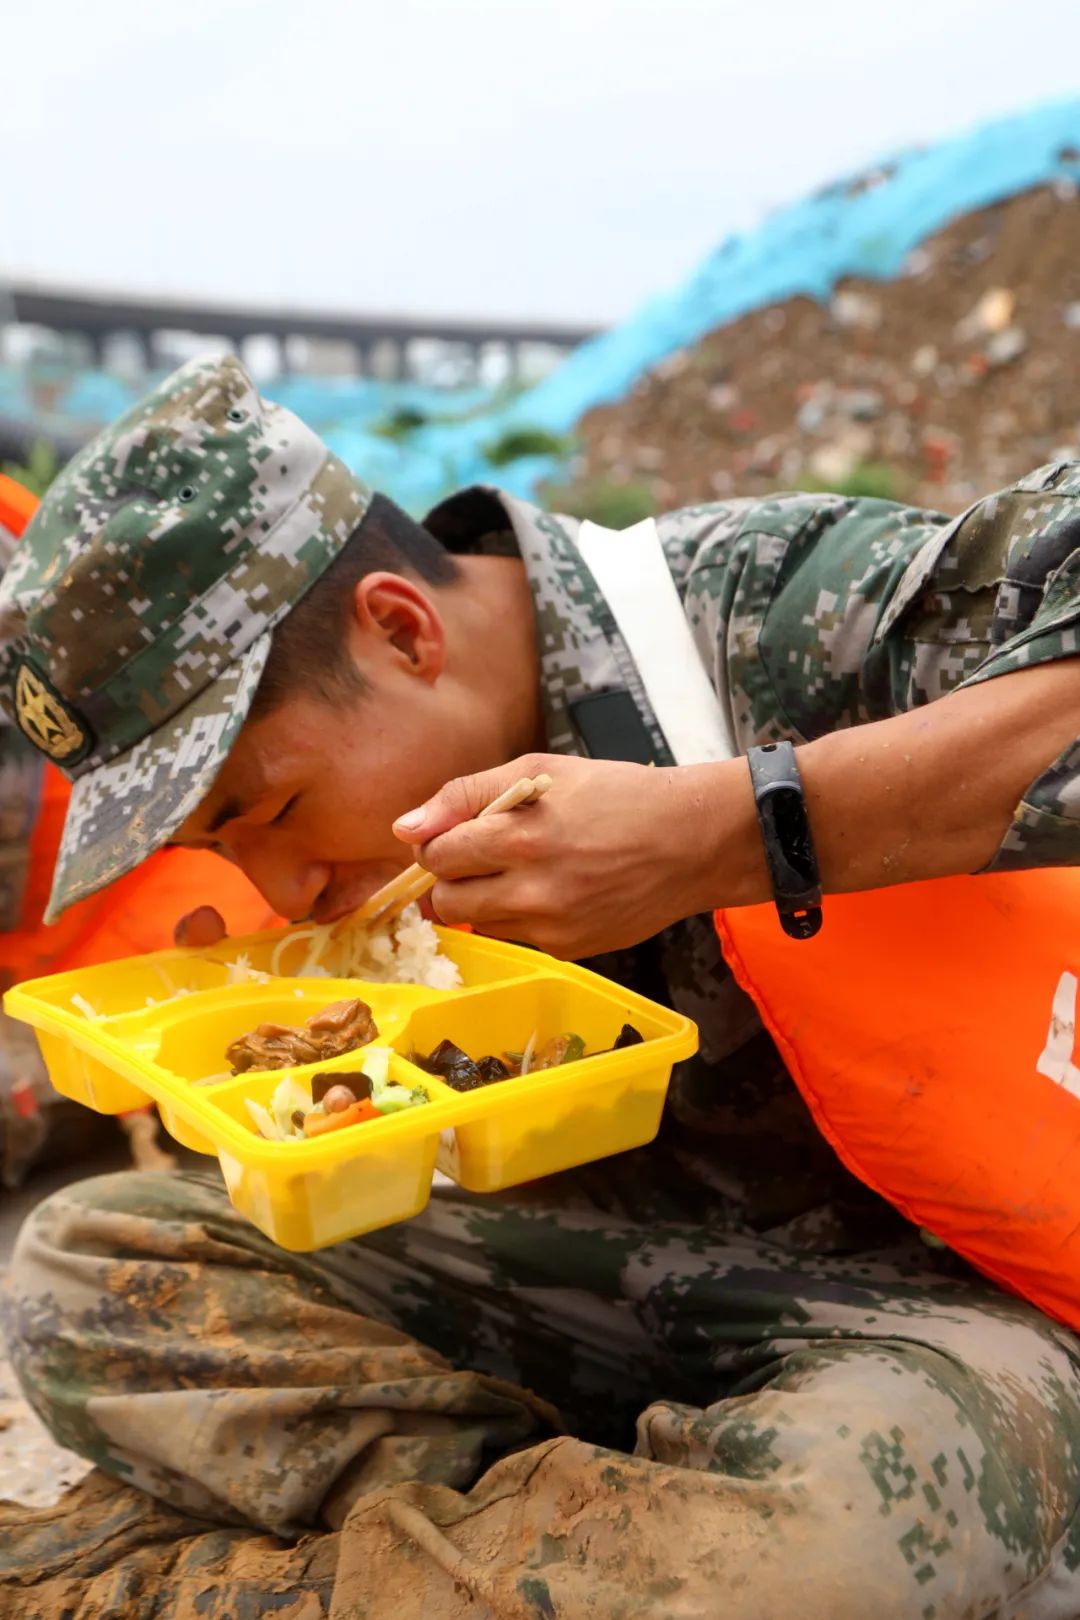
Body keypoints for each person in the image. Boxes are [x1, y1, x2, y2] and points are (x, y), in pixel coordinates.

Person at [2, 353, 1080, 1620]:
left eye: (274, 810)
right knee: (90, 1265)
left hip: (943, 1311)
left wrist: (727, 832)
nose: (284, 890)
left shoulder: (750, 607)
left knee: (853, 1517)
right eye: (221, 847)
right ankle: (600, 1540)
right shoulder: (347, 868)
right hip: (611, 1291)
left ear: (403, 629)